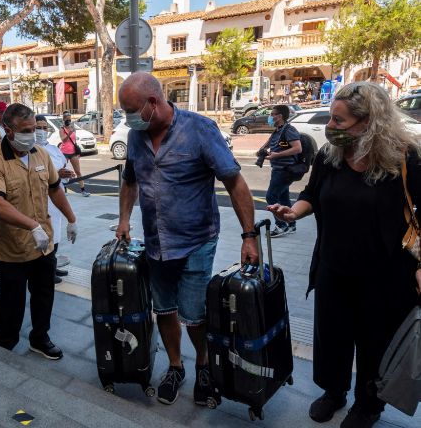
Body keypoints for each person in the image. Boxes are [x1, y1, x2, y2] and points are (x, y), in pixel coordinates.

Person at [267, 82, 421, 428]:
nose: (330, 127)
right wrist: (294, 212)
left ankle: (368, 405)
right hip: (333, 267)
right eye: (331, 119)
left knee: (374, 343)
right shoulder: (330, 155)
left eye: (339, 121)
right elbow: (311, 193)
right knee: (331, 336)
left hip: (385, 275)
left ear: (369, 122)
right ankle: (333, 392)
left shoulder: (405, 157)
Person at [116, 72, 258, 406]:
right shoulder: (137, 136)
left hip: (196, 241)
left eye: (131, 110)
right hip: (156, 244)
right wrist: (123, 219)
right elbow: (129, 179)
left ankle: (205, 366)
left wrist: (249, 236)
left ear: (153, 102)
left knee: (194, 314)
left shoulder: (199, 129)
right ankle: (176, 367)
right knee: (164, 310)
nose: (128, 119)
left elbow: (234, 182)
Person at [0, 103, 78, 360]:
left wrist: (71, 218)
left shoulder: (41, 154)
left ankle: (40, 337)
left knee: (44, 294)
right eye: (26, 129)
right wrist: (31, 225)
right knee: (11, 302)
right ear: (7, 130)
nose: (32, 134)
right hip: (13, 247)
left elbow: (55, 188)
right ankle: (5, 345)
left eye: (34, 128)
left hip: (44, 243)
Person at [35, 115, 75, 284]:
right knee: (47, 235)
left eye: (45, 128)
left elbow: (64, 167)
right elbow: (34, 176)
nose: (42, 131)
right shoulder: (30, 151)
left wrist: (65, 174)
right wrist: (55, 176)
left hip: (57, 197)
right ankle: (46, 272)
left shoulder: (54, 149)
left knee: (56, 234)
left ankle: (53, 266)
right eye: (38, 127)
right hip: (42, 199)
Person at [257, 104, 302, 237]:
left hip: (285, 170)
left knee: (271, 196)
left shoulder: (289, 130)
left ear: (279, 116)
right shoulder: (278, 130)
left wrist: (277, 155)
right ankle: (291, 224)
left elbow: (297, 148)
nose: (270, 117)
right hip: (278, 169)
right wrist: (261, 151)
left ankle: (281, 225)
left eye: (272, 114)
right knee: (283, 197)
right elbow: (272, 144)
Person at [59, 111, 90, 197]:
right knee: (64, 172)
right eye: (67, 119)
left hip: (73, 152)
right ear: (63, 120)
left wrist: (77, 152)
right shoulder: (62, 129)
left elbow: (74, 140)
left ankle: (83, 190)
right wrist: (69, 132)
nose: (68, 121)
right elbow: (63, 140)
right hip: (64, 153)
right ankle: (64, 190)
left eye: (70, 119)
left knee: (78, 171)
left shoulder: (73, 128)